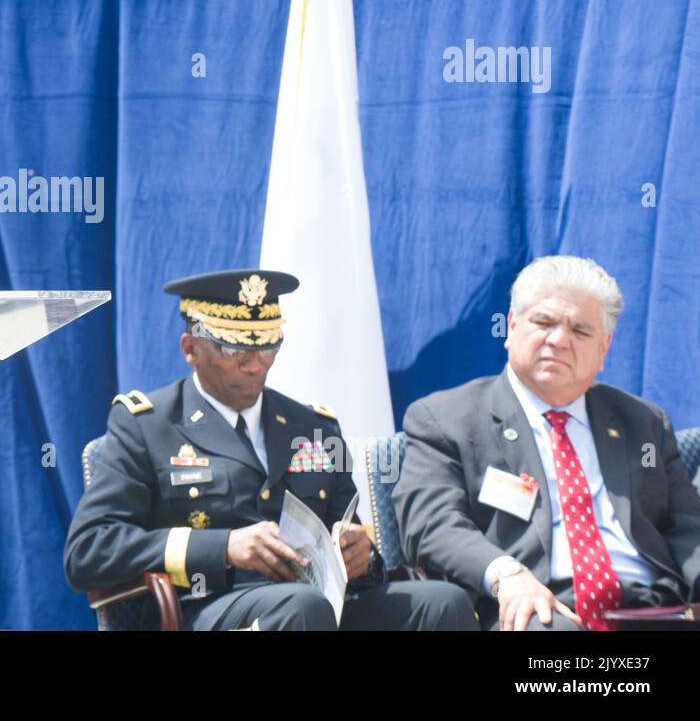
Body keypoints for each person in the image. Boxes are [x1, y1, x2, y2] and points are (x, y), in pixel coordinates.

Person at [64, 269, 477, 630]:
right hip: (212, 609)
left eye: (268, 345)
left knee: (441, 604)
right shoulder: (148, 426)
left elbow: (356, 551)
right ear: (191, 349)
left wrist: (360, 556)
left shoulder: (314, 427)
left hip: (316, 607)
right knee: (301, 609)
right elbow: (88, 551)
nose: (255, 363)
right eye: (233, 347)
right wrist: (222, 547)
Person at [395, 255, 700, 631]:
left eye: (580, 331)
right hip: (534, 605)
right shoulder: (446, 419)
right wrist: (506, 574)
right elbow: (431, 526)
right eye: (544, 322)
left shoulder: (643, 422)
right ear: (512, 326)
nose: (558, 340)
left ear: (603, 349)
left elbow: (689, 525)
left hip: (651, 607)